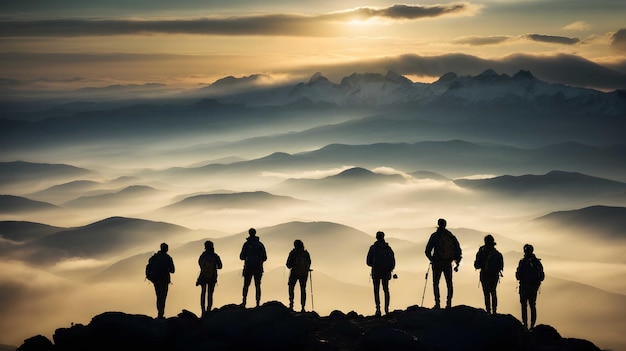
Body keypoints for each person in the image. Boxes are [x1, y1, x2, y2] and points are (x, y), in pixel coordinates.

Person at [425, 218, 462, 309]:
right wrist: (457, 262)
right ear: (445, 225)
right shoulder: (450, 236)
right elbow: (458, 250)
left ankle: (437, 303)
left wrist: (432, 259)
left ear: (438, 224)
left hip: (437, 262)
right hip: (448, 263)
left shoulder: (434, 236)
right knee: (449, 283)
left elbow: (427, 250)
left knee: (436, 283)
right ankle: (448, 303)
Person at [366, 231, 396, 316]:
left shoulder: (373, 248)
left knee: (376, 290)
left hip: (376, 272)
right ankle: (386, 309)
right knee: (386, 290)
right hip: (386, 272)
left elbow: (368, 262)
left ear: (376, 237)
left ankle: (378, 309)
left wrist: (375, 265)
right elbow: (393, 261)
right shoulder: (388, 248)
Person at [516, 244, 544, 330]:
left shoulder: (522, 262)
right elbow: (542, 277)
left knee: (524, 305)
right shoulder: (537, 262)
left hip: (524, 286)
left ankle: (524, 324)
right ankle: (532, 325)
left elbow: (518, 276)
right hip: (533, 287)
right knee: (532, 305)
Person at [473, 234, 504, 314]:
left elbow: (476, 265)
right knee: (493, 292)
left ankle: (488, 311)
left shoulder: (481, 252)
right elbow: (501, 267)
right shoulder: (497, 254)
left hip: (484, 275)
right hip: (494, 276)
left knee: (486, 293)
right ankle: (494, 311)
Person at [146, 243, 175, 318]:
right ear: (166, 249)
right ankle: (161, 314)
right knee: (163, 297)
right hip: (164, 280)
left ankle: (159, 313)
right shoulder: (168, 258)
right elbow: (172, 270)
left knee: (158, 297)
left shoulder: (154, 257)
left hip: (155, 280)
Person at [239, 228, 267, 307]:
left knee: (246, 285)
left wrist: (248, 258)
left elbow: (241, 256)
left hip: (248, 267)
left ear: (249, 233)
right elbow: (265, 257)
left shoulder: (247, 244)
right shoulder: (260, 245)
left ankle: (244, 302)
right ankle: (258, 303)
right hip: (258, 268)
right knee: (257, 285)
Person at [197, 240, 223, 315]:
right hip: (212, 277)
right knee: (210, 293)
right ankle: (209, 309)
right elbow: (220, 266)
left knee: (203, 292)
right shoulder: (215, 255)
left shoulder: (203, 255)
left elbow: (200, 264)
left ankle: (202, 310)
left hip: (203, 276)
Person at [285, 239, 312, 312]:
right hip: (304, 273)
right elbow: (309, 262)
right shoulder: (306, 253)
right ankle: (303, 307)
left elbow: (288, 264)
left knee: (291, 287)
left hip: (294, 273)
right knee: (303, 289)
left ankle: (291, 304)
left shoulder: (293, 253)